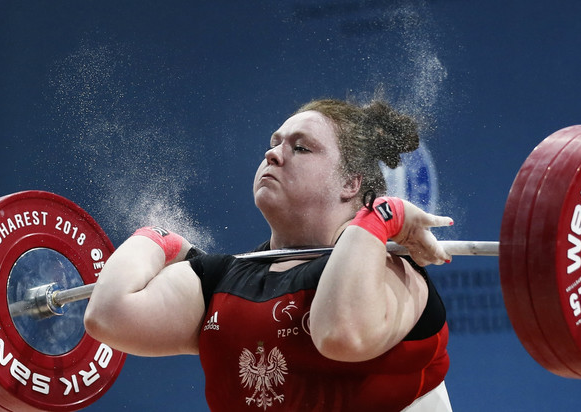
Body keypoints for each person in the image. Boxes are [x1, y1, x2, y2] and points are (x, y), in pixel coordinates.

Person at [84, 98, 455, 411]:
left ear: (350, 182)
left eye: (300, 147)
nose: (272, 154)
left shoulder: (392, 268)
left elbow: (342, 335)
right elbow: (108, 314)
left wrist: (378, 220)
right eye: (274, 143)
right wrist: (158, 239)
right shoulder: (222, 279)